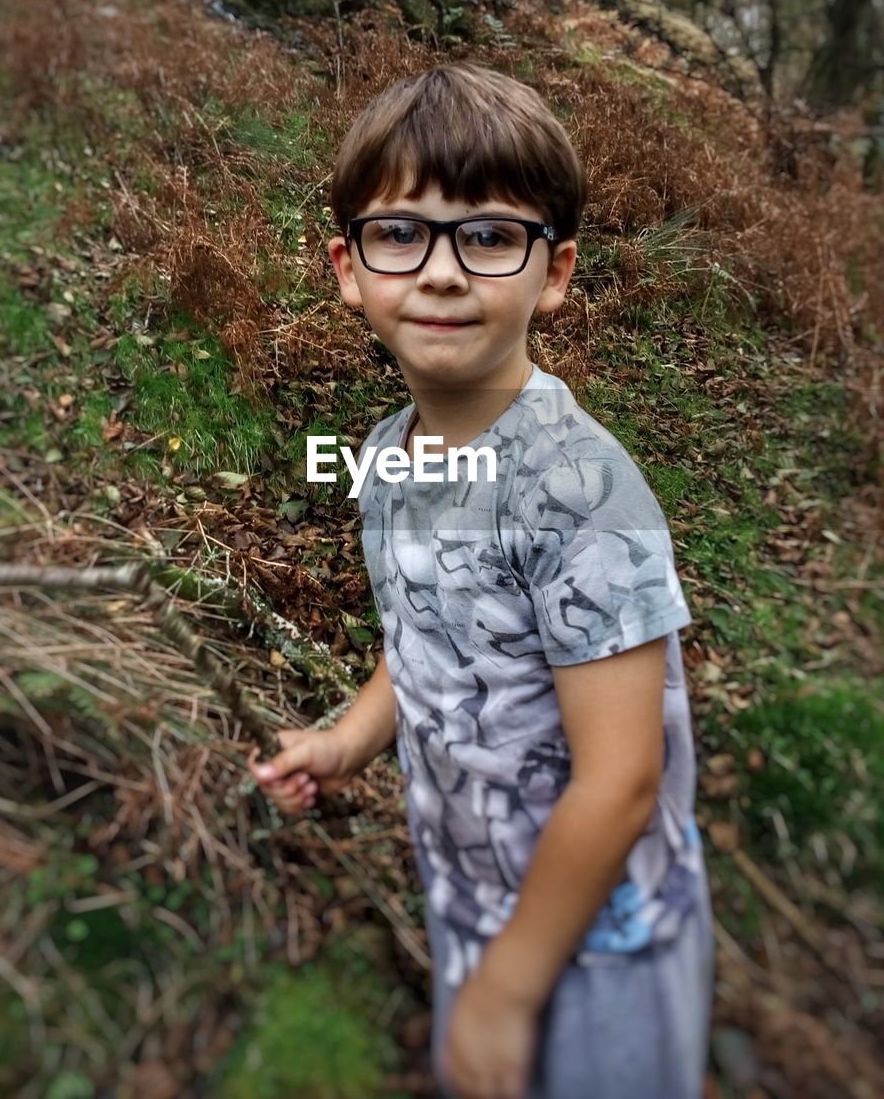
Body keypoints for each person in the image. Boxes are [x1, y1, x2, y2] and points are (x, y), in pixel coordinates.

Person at [249, 64, 715, 1099]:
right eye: (402, 232)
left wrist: (509, 987)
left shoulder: (581, 489)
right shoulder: (383, 450)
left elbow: (622, 777)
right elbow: (421, 631)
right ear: (348, 265)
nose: (444, 271)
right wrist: (344, 740)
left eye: (492, 234)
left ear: (554, 272)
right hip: (471, 899)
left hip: (600, 941)